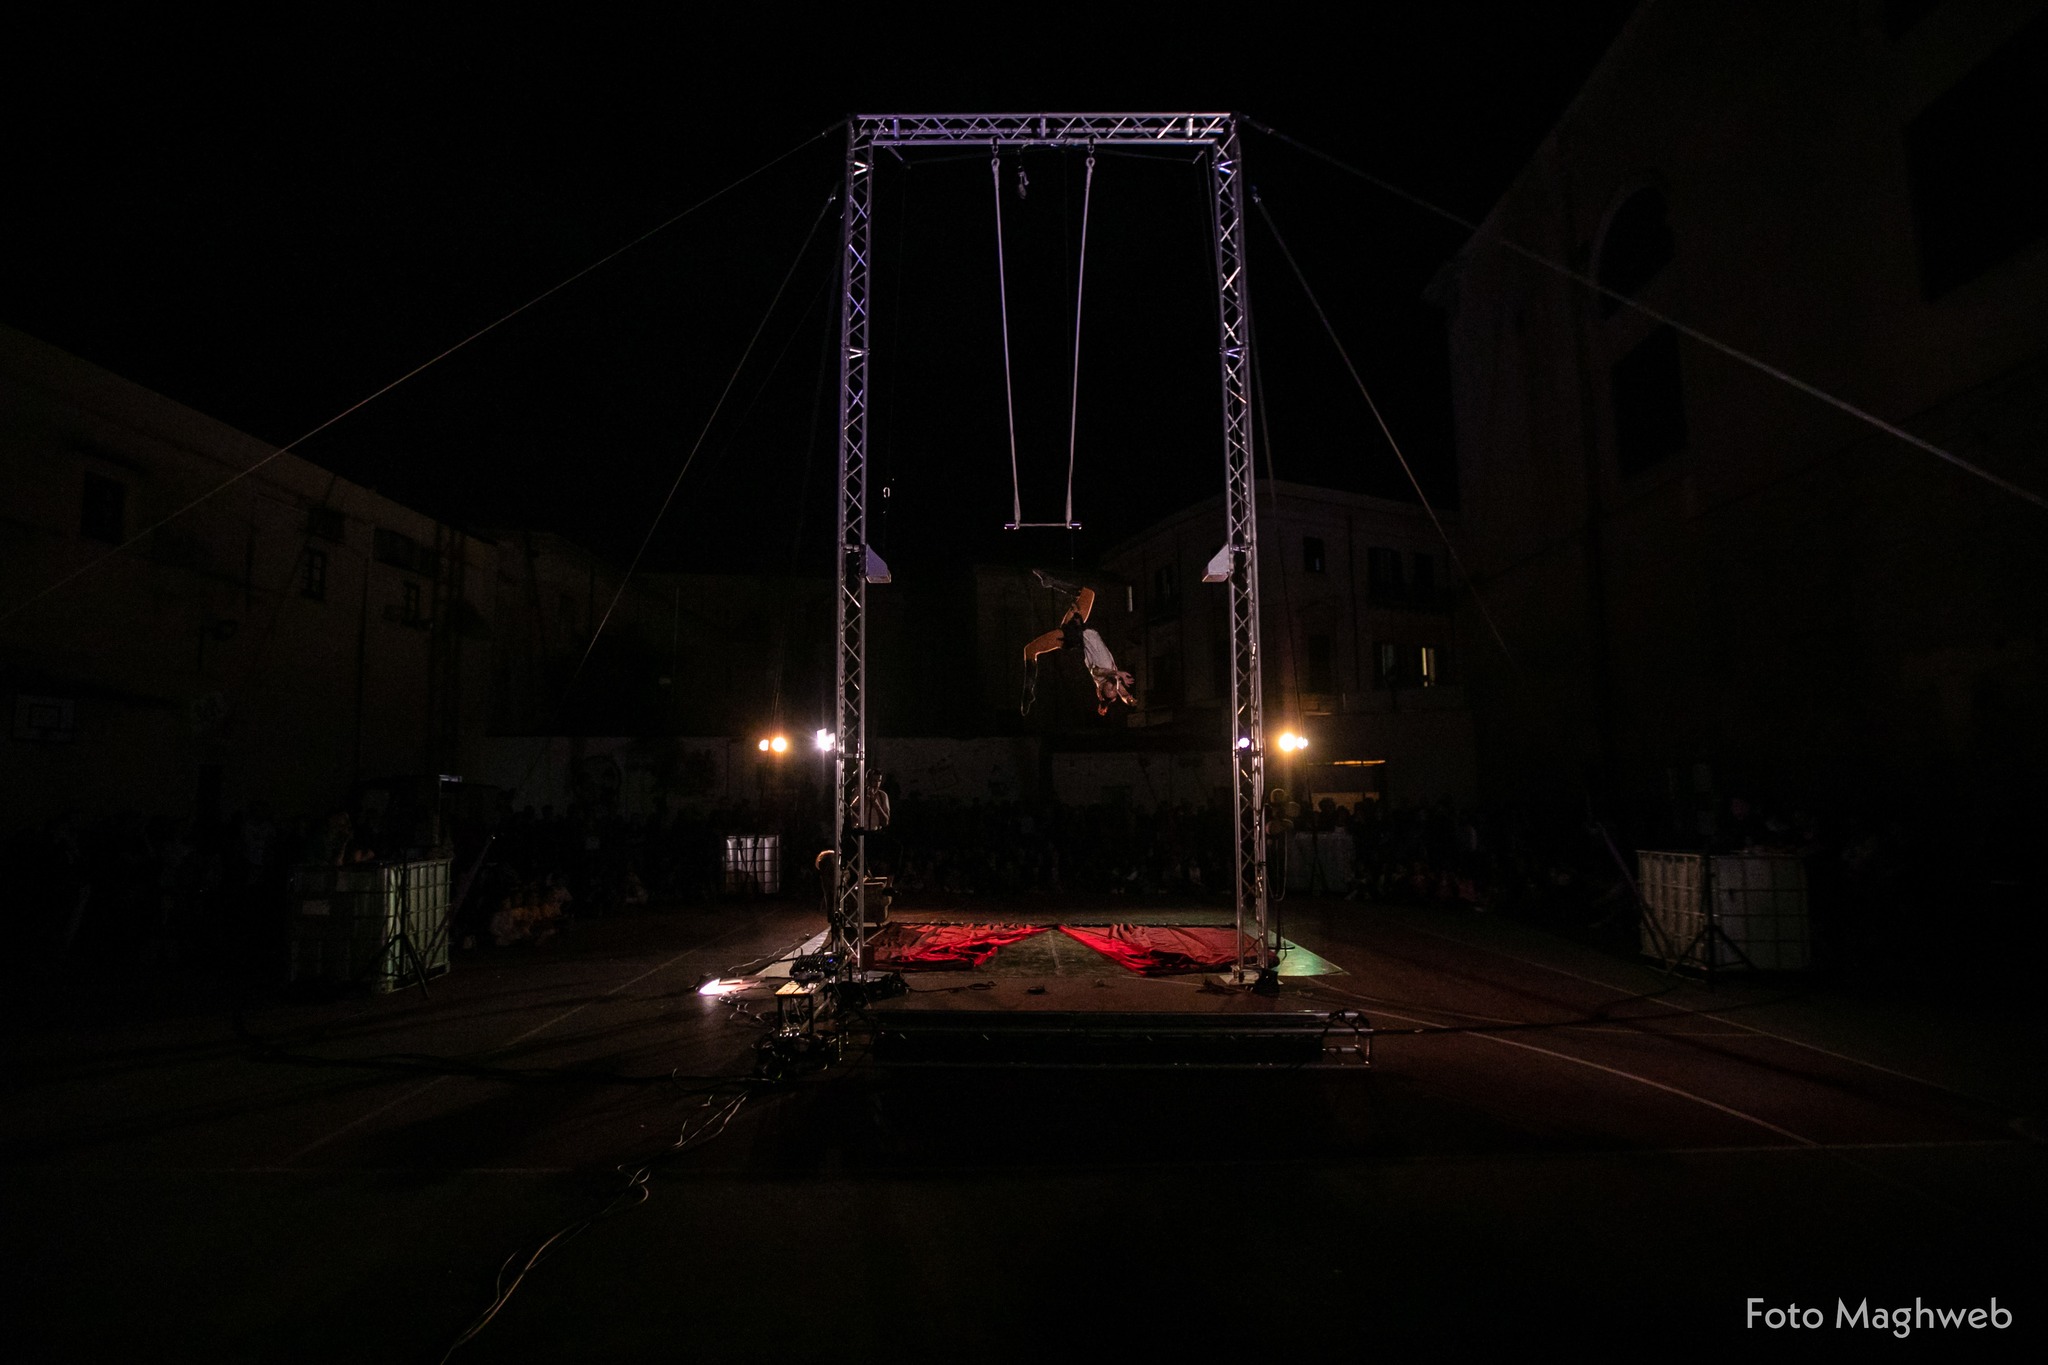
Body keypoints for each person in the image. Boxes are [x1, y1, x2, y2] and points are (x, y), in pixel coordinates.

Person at [1021, 571, 1134, 716]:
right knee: (1088, 593)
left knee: (1030, 649)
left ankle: (1027, 691)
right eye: (1114, 689)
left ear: (1099, 690)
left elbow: (1098, 671)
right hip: (1078, 631)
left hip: (1073, 636)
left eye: (1109, 689)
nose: (1113, 687)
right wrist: (1130, 700)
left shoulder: (1100, 676)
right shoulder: (1114, 681)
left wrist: (1117, 674)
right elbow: (1123, 693)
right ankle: (1050, 582)